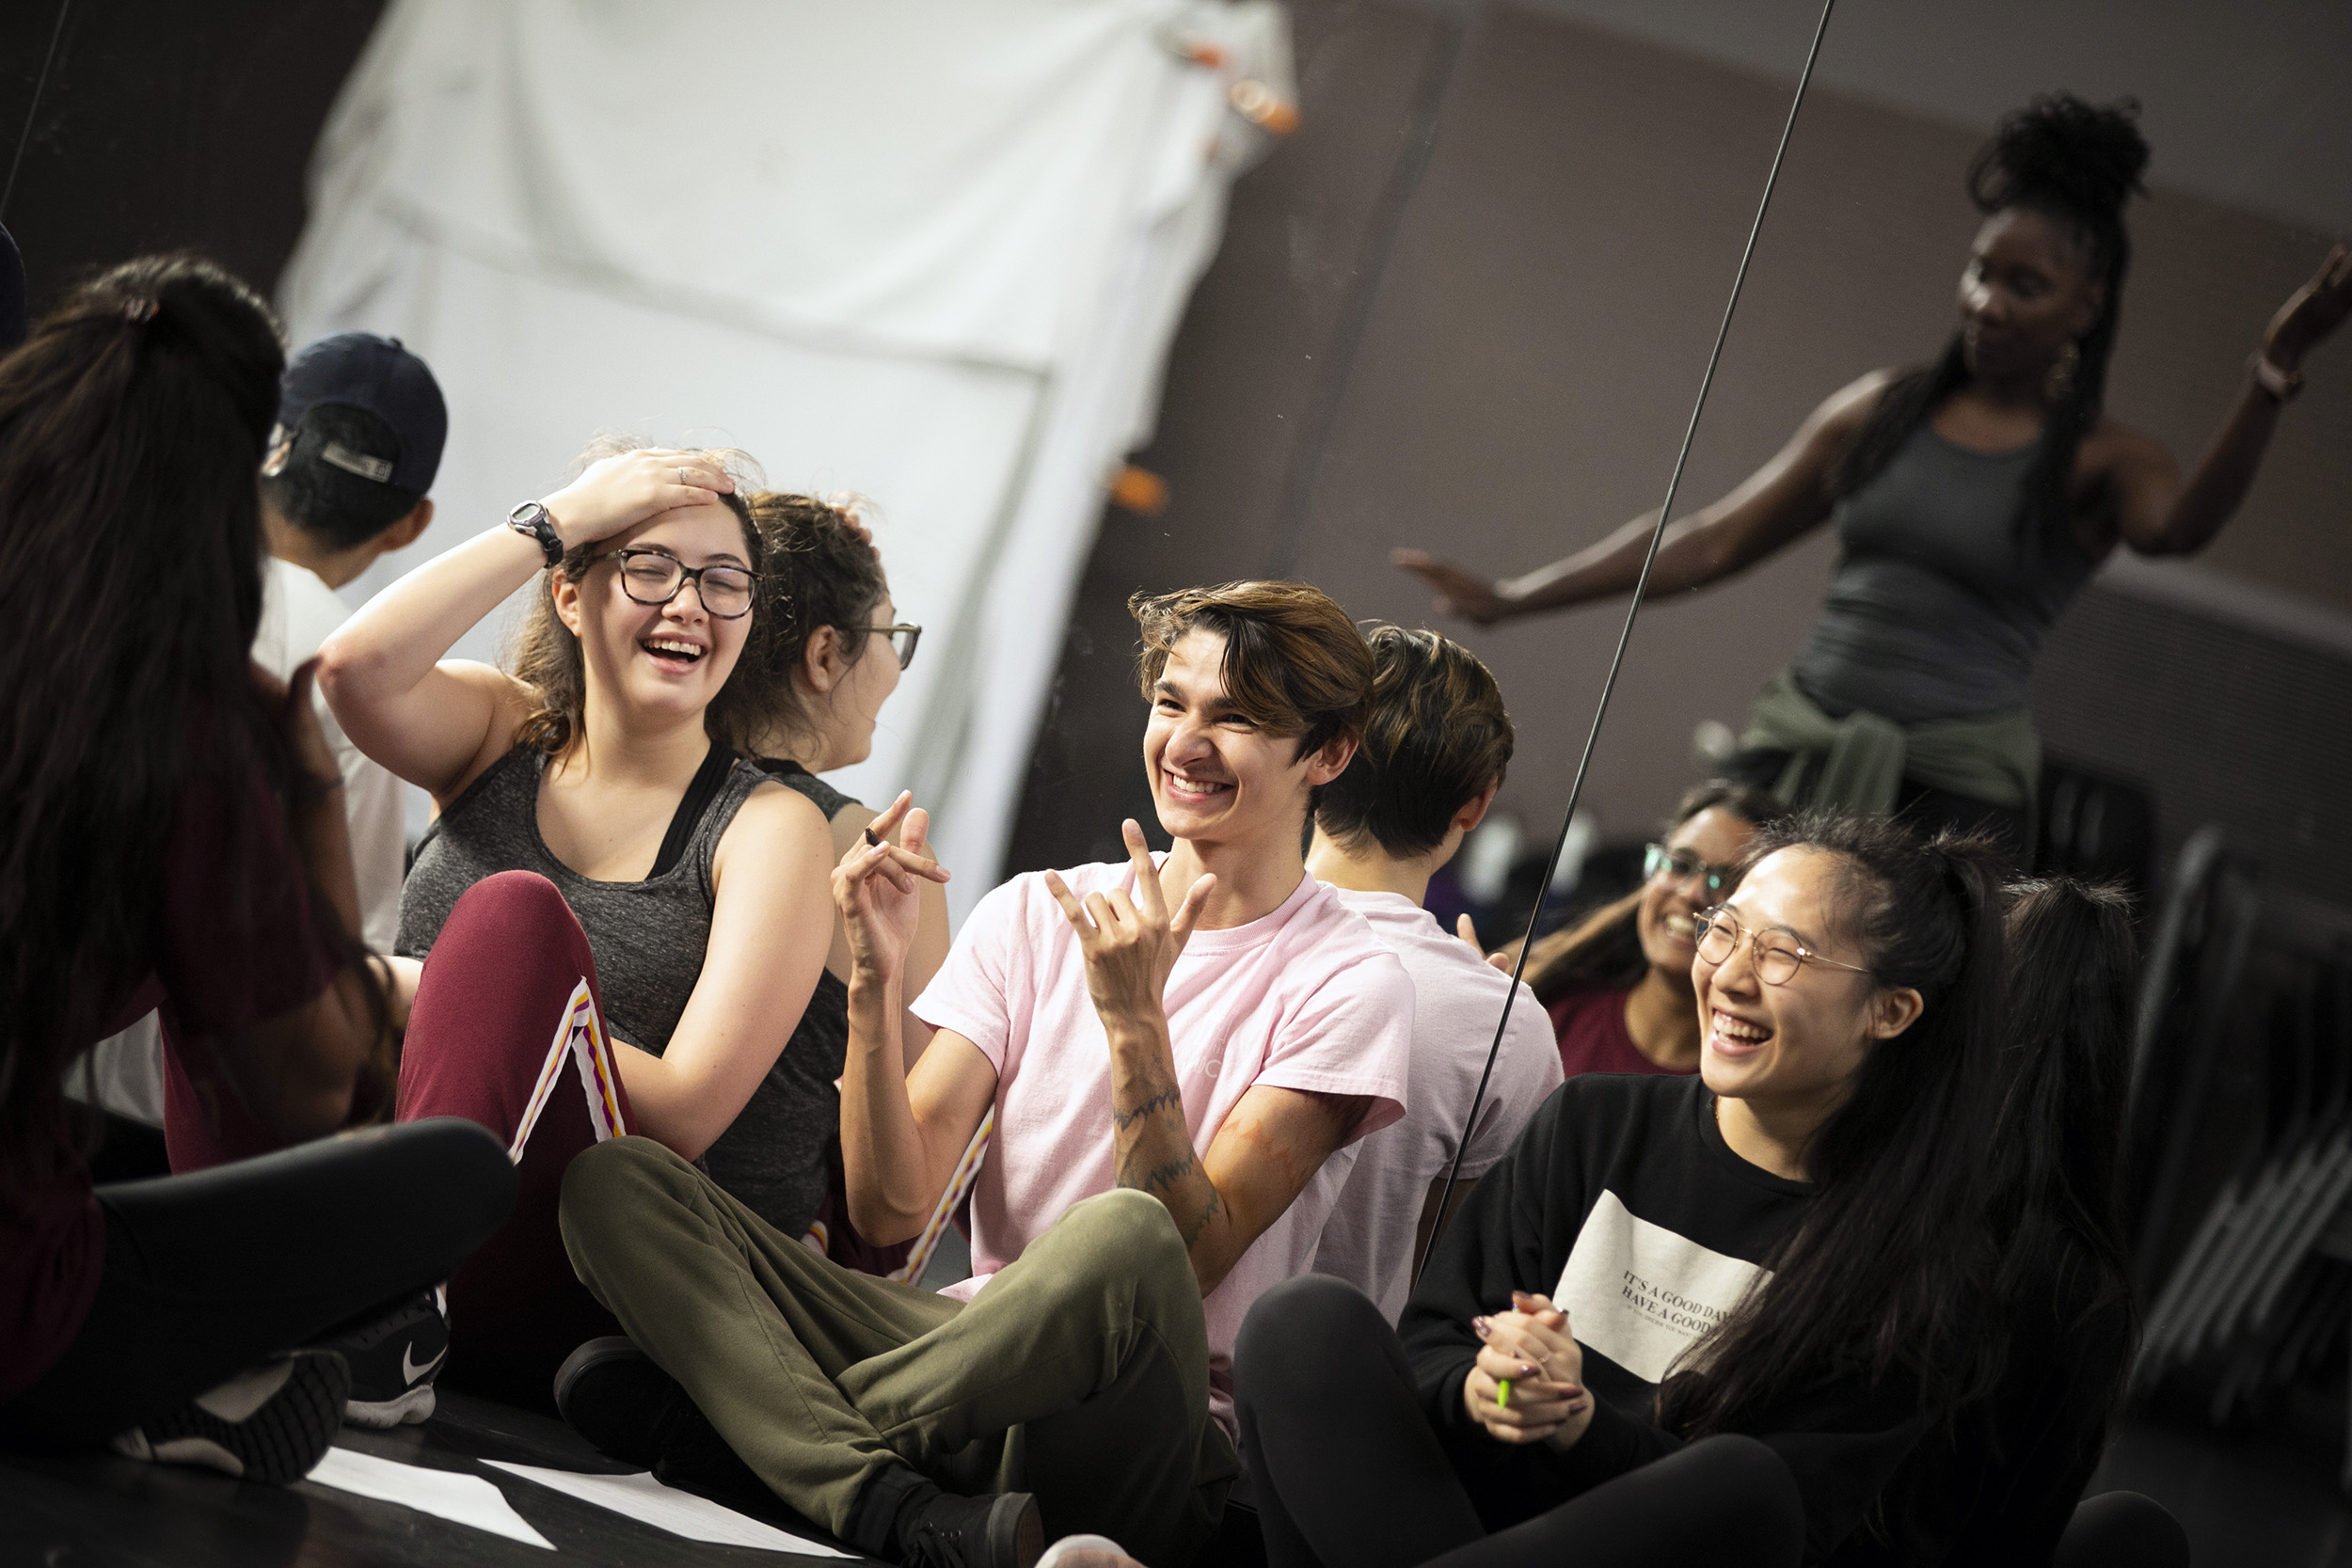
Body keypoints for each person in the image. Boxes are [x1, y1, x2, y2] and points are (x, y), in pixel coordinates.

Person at [555, 580, 1415, 1568]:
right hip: (960, 1360)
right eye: (1172, 702)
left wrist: (1136, 1021)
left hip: (1134, 1424)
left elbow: (1188, 1260)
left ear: (1329, 752)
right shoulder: (1035, 911)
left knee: (1124, 1233)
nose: (1186, 740)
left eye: (1239, 718)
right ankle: (877, 1490)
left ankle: (769, 1443)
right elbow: (889, 1213)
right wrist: (873, 985)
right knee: (620, 1179)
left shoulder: (1352, 981)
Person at [1397, 93, 2352, 854]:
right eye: (1980, 271)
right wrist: (1513, 599)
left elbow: (2178, 529)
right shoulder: (1881, 410)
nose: (1987, 301)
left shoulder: (2106, 460)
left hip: (1954, 791)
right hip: (1795, 743)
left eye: (2025, 285)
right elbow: (1712, 540)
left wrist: (2271, 373)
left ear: (2086, 305)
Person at [1235, 813, 2144, 1565]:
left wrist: (1584, 1425)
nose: (1733, 975)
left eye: (1785, 953)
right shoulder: (1594, 1122)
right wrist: (1487, 1384)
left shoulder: (1914, 1262)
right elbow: (1430, 1337)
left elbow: (1779, 1525)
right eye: (1726, 930)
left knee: (1738, 1482)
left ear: (1891, 1009)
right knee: (1302, 1322)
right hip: (1460, 1526)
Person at [0, 253, 515, 1484]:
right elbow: (307, 1094)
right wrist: (304, 791)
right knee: (454, 1173)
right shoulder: (200, 713)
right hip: (26, 1289)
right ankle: (168, 1377)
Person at [315, 439, 840, 1407]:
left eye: (724, 582)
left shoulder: (769, 826)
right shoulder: (498, 731)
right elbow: (353, 669)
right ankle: (205, 1268)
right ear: (570, 592)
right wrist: (556, 514)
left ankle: (392, 1310)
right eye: (650, 567)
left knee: (513, 921)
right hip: (354, 1190)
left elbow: (684, 1112)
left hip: (555, 1262)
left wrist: (422, 986)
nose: (689, 603)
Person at [69, 332, 443, 1152]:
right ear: (412, 524)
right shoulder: (347, 680)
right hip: (172, 1138)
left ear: (262, 443)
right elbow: (352, 968)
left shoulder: (96, 562)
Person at [1302, 626, 1563, 1322]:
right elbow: (1462, 1287)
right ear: (1476, 804)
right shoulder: (1504, 1028)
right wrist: (1485, 1017)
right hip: (1332, 1408)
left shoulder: (1187, 929)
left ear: (1316, 756)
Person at [733, 489, 954, 1277]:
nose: (895, 662)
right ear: (827, 655)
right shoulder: (880, 859)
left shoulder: (635, 787)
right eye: (890, 632)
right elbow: (901, 1179)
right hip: (750, 1274)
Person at [1512, 782, 1787, 1078]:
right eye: (1681, 864)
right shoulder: (1553, 1008)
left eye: (1728, 881)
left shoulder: (1746, 1085)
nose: (1692, 892)